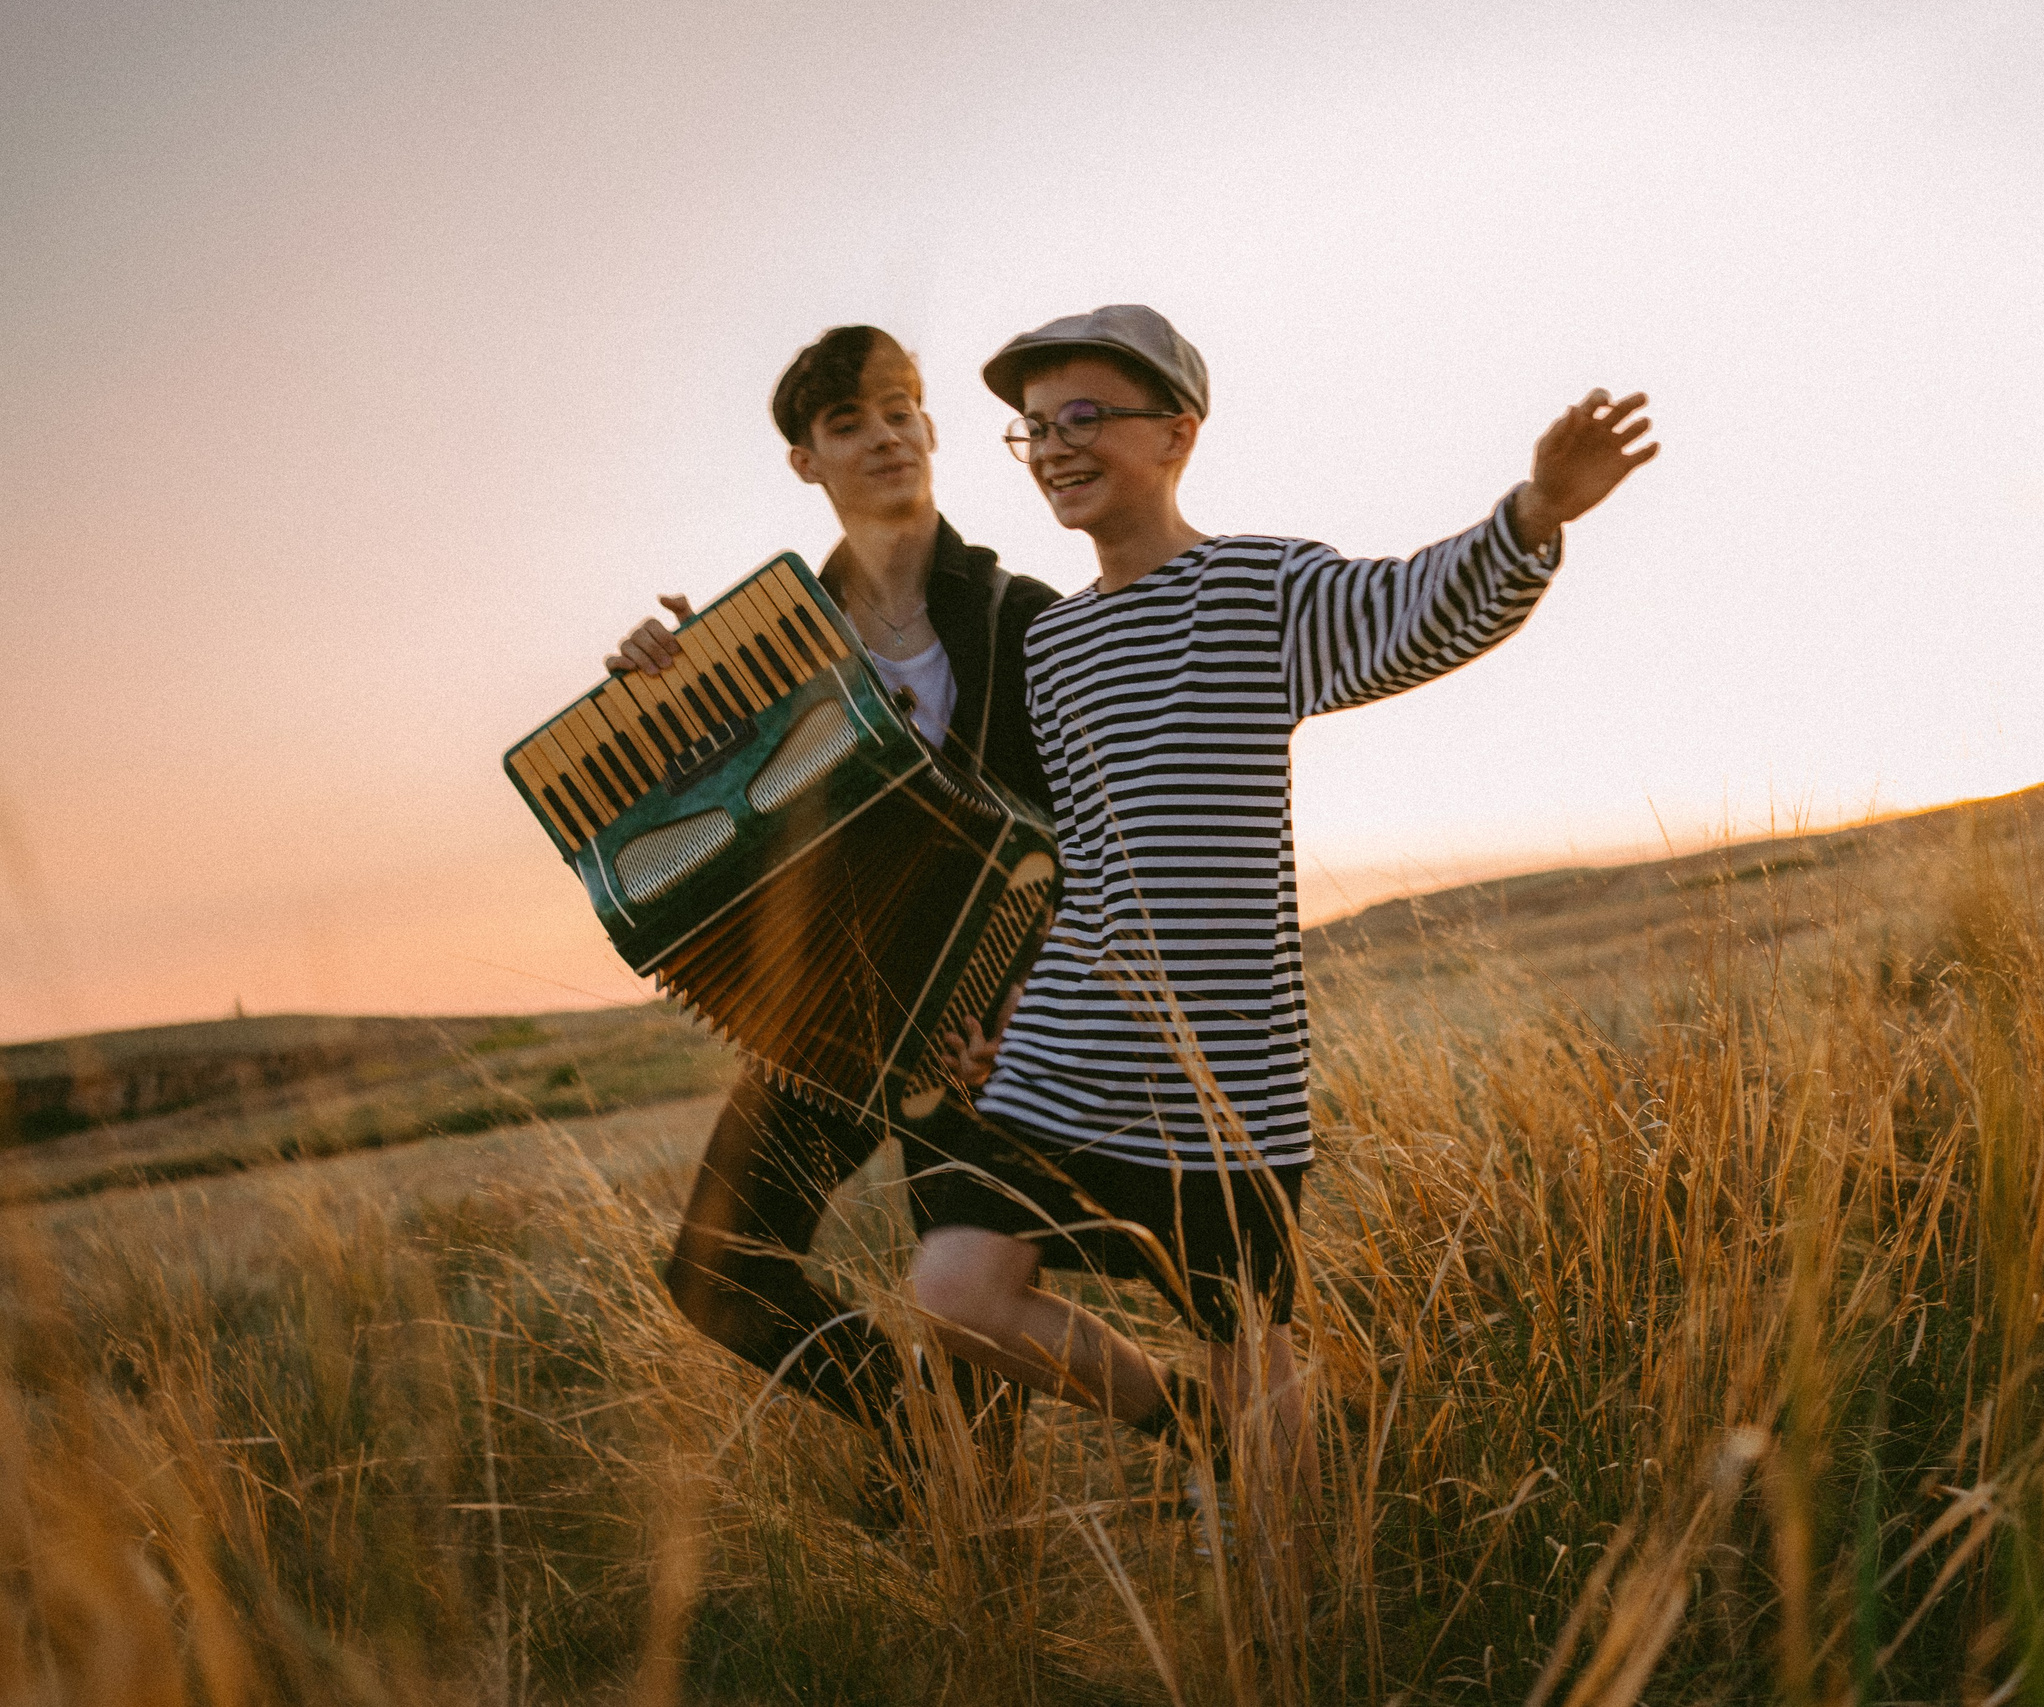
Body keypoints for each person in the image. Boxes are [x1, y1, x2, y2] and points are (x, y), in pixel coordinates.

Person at [897, 305, 1656, 1541]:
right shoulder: (1056, 645)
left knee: (1247, 1337)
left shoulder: (1251, 587)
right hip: (1071, 1046)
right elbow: (1079, 856)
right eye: (1031, 428)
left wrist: (1535, 512)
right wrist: (1018, 1020)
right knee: (955, 1289)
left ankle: (1291, 1634)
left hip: (1223, 1064)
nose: (1051, 447)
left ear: (1177, 431)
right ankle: (1186, 1437)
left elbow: (1410, 610)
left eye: (1084, 417)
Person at [606, 325, 1057, 1444]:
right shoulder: (761, 650)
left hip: (983, 1027)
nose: (884, 436)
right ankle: (915, 1439)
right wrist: (651, 693)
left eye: (899, 409)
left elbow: (1084, 843)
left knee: (972, 1328)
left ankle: (977, 1528)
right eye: (848, 422)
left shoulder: (1025, 619)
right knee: (717, 1270)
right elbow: (690, 824)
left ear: (933, 426)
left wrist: (1026, 1014)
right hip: (832, 1024)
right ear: (807, 460)